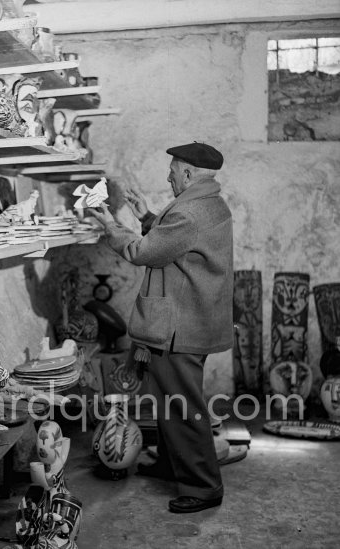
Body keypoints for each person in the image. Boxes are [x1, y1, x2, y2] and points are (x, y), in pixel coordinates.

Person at [89, 142, 233, 514]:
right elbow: (178, 243)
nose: (168, 175)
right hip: (186, 320)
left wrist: (109, 226)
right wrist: (147, 217)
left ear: (188, 173)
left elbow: (144, 253)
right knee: (171, 403)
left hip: (179, 325)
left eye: (173, 169)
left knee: (183, 407)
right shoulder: (206, 202)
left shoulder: (190, 210)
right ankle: (173, 465)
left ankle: (203, 487)